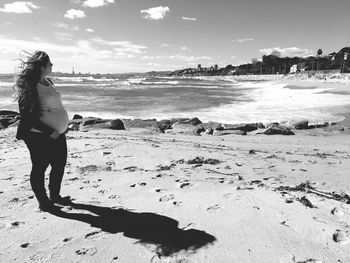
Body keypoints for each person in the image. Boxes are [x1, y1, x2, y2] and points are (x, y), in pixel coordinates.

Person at [14, 51, 71, 211]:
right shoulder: (30, 87)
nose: (52, 66)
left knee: (59, 165)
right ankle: (43, 202)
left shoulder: (48, 81)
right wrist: (49, 131)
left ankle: (55, 196)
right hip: (38, 135)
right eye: (50, 64)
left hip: (58, 133)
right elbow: (27, 117)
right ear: (42, 66)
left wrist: (61, 128)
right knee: (40, 167)